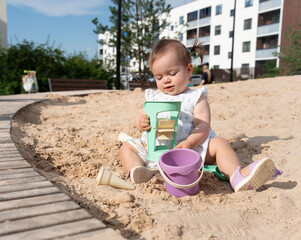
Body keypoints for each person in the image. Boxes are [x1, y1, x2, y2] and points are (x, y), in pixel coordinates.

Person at [119, 39, 282, 192]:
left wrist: (190, 142)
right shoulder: (155, 96)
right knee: (127, 146)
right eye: (159, 77)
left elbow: (202, 125)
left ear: (188, 70)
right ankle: (139, 171)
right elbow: (142, 115)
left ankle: (236, 176)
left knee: (220, 143)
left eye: (172, 73)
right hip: (157, 149)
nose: (166, 81)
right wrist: (140, 121)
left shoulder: (195, 97)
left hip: (193, 149)